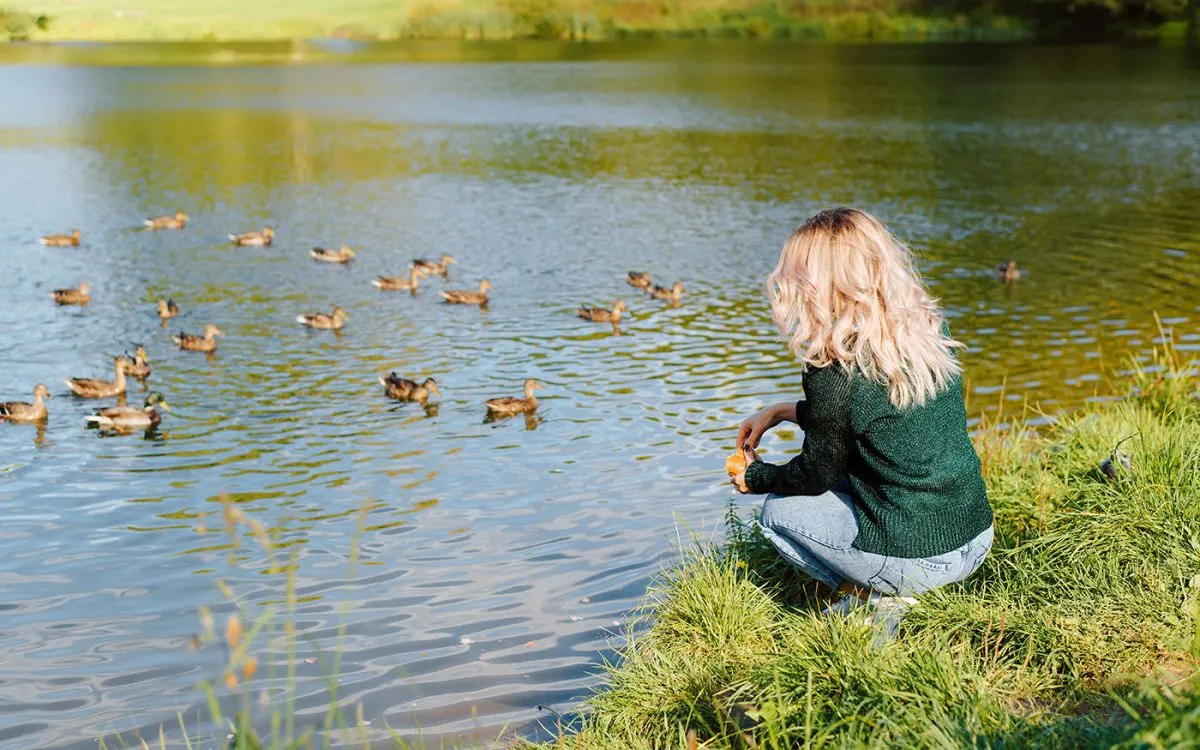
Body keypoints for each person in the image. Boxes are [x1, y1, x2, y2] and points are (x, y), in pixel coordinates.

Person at [731, 207, 994, 638]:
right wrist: (782, 411)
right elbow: (878, 420)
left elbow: (817, 473)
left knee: (777, 511)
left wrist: (757, 475)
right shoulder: (923, 328)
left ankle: (882, 597)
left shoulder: (835, 368)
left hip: (922, 557)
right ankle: (895, 585)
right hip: (974, 536)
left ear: (818, 283)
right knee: (847, 477)